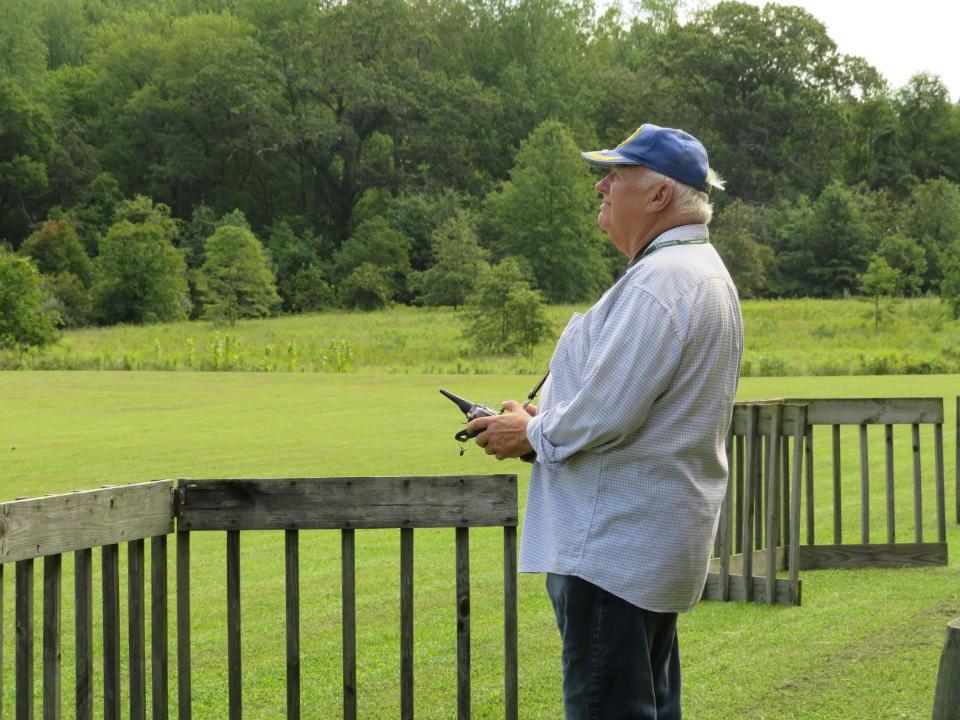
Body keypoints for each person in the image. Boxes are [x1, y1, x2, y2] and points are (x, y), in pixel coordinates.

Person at [466, 124, 743, 720]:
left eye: (616, 176)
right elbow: (626, 406)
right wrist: (544, 423)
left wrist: (529, 432)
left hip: (615, 553)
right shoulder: (694, 270)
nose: (601, 186)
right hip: (646, 546)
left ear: (660, 195)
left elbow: (608, 414)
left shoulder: (663, 282)